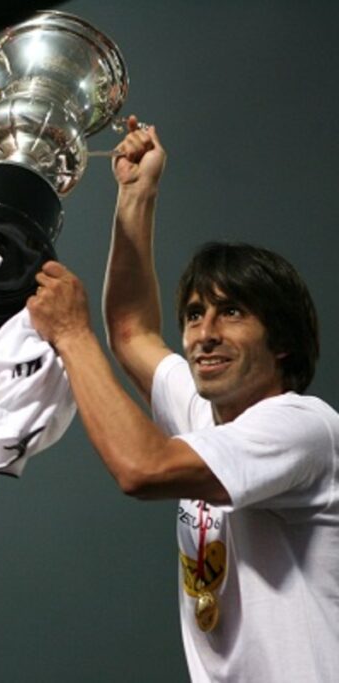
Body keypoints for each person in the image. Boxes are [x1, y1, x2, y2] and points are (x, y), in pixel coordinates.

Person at [26, 120, 339, 681]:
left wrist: (72, 335)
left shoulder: (302, 426)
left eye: (233, 313)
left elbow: (142, 469)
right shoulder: (204, 415)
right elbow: (131, 331)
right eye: (195, 314)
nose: (204, 334)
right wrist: (136, 194)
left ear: (284, 341)